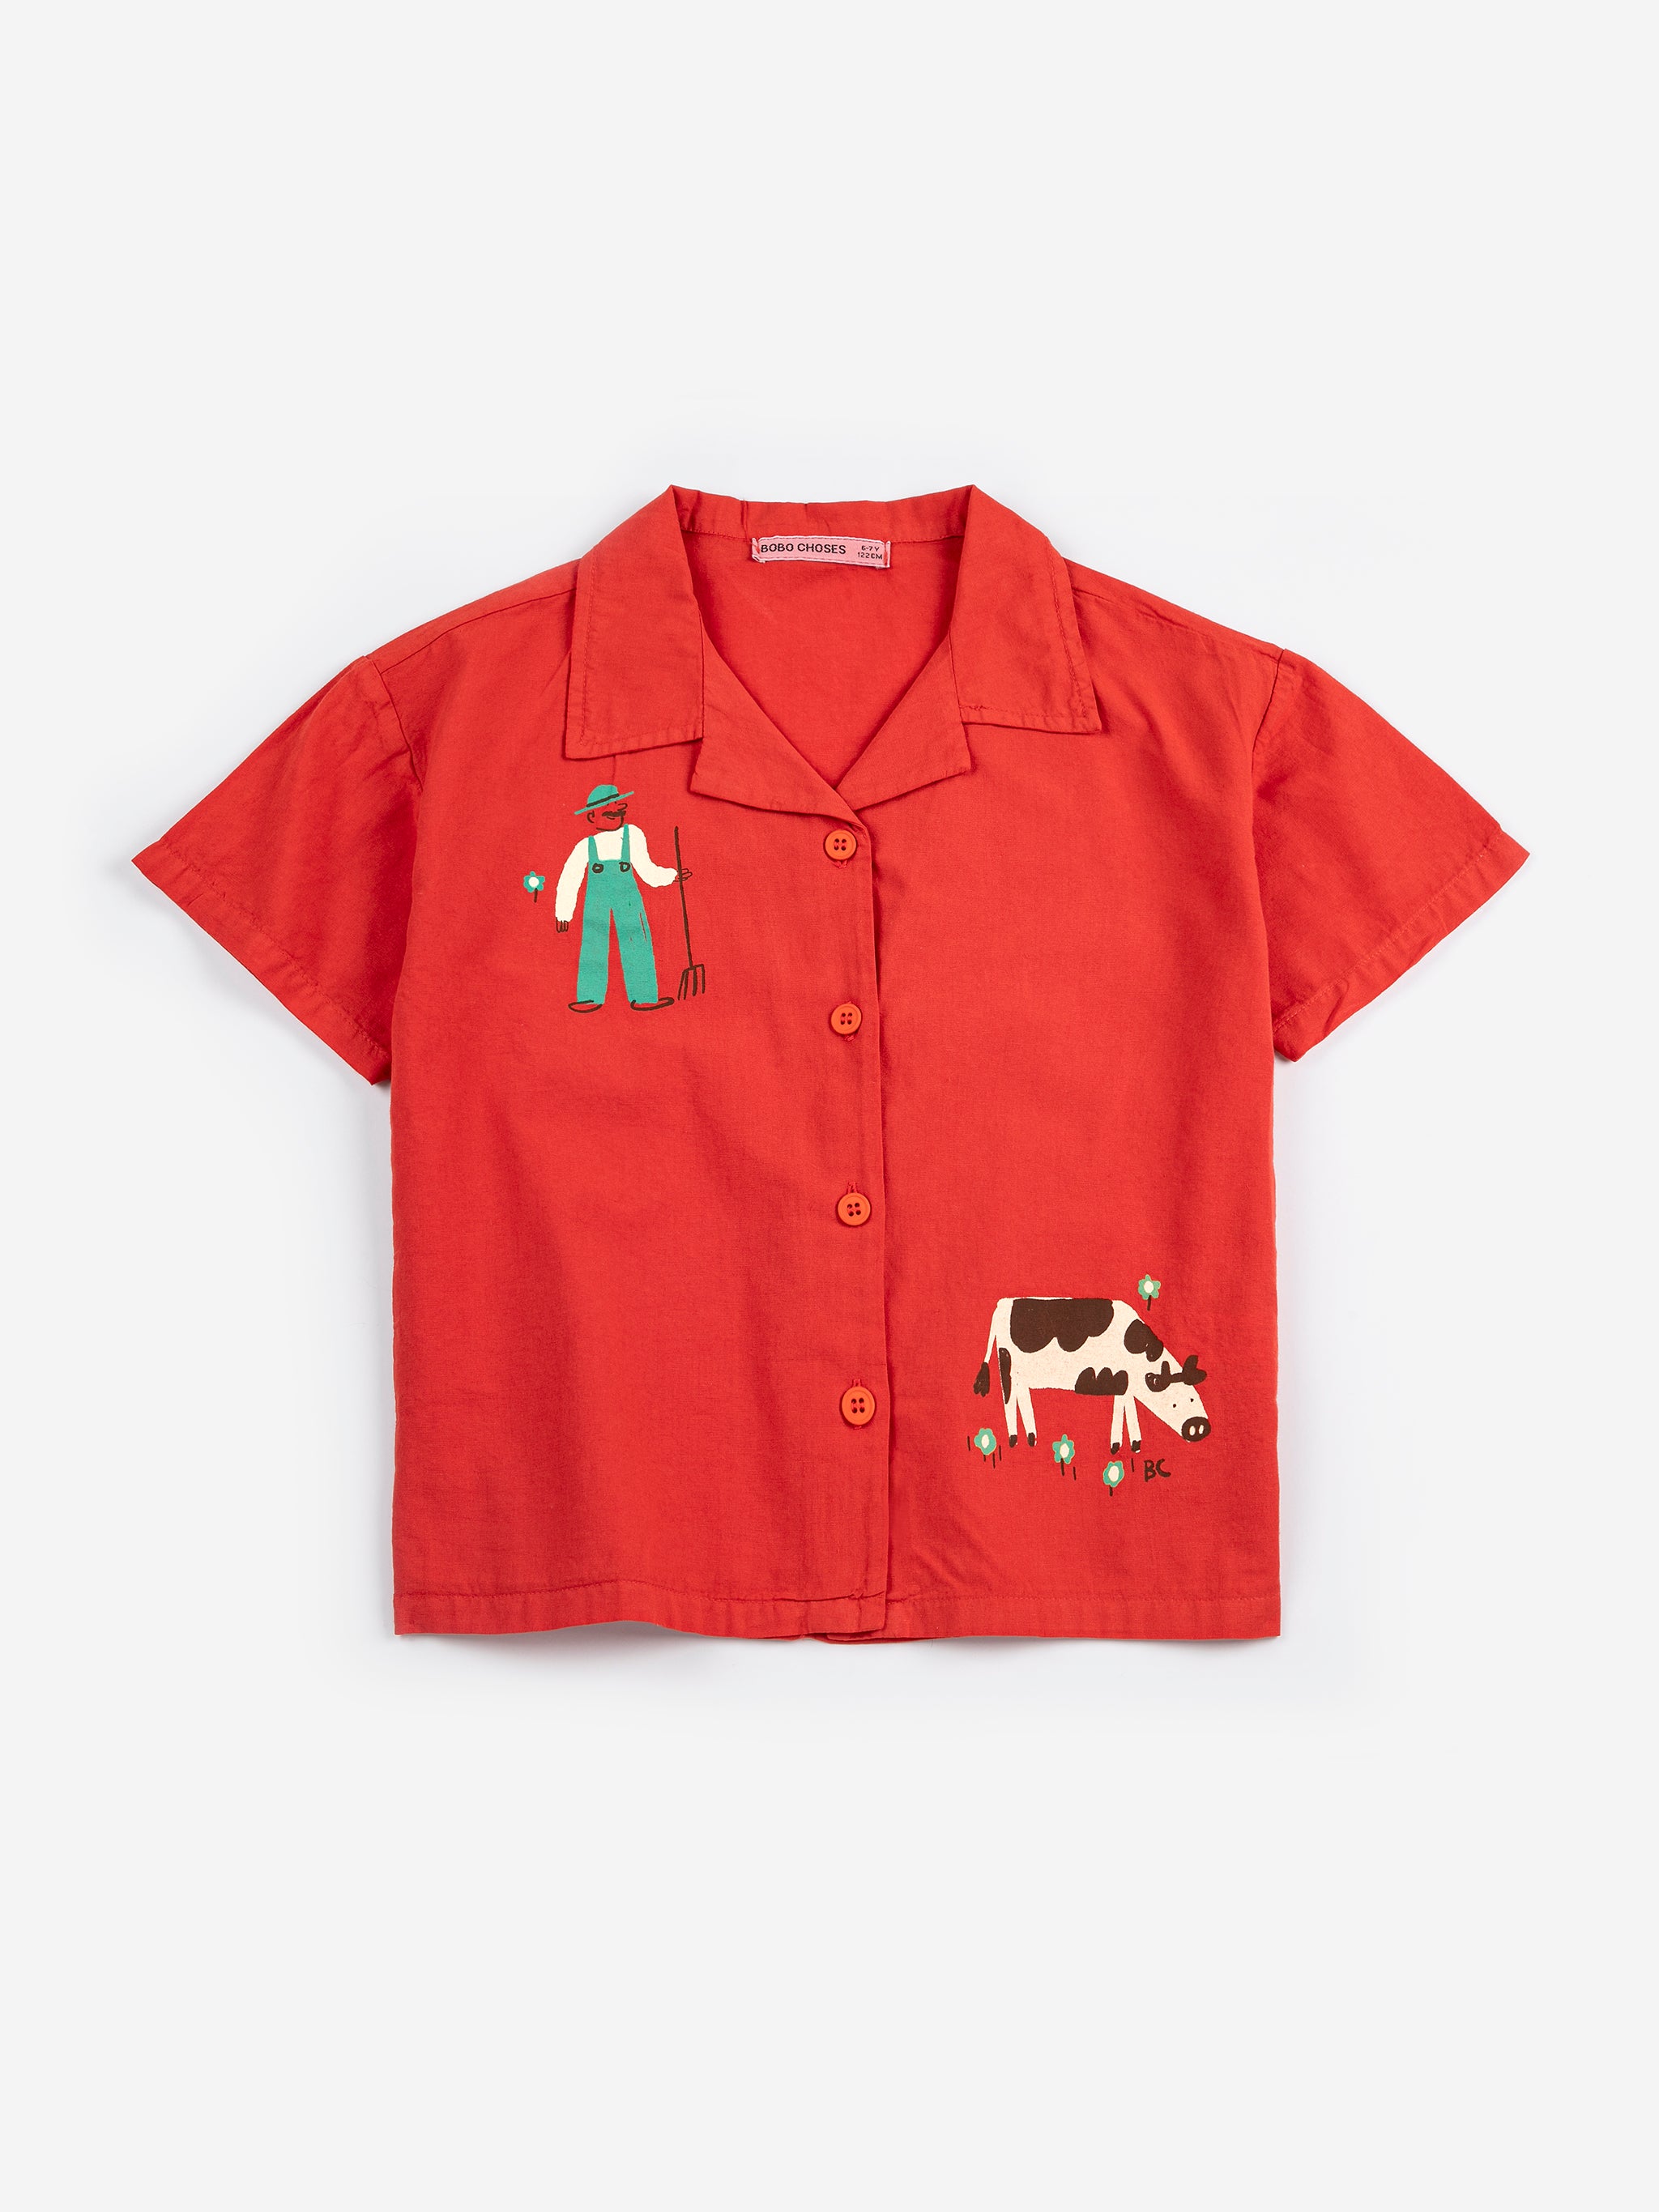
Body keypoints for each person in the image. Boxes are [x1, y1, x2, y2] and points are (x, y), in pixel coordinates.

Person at [553, 784, 681, 1011]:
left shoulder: (633, 835)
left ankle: (644, 996)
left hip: (628, 898)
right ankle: (590, 997)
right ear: (592, 816)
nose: (615, 812)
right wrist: (564, 912)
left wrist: (671, 876)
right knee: (594, 942)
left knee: (637, 939)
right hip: (597, 901)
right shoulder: (586, 845)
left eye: (618, 808)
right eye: (607, 810)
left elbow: (646, 869)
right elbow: (570, 878)